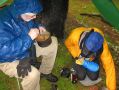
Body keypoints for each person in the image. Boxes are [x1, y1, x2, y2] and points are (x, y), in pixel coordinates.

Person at [0, 0, 58, 90]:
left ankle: (45, 71)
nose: (34, 17)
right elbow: (3, 52)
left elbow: (31, 22)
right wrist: (28, 38)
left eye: (35, 15)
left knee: (53, 42)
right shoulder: (2, 23)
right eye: (32, 15)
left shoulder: (24, 14)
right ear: (21, 10)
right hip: (8, 59)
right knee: (33, 75)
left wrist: (38, 26)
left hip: (27, 47)